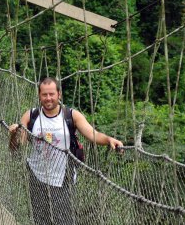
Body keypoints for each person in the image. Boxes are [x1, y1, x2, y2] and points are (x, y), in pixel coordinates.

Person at [8, 77, 123, 225]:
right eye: (44, 94)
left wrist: (109, 140)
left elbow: (92, 134)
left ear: (59, 94)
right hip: (36, 176)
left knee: (63, 221)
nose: (48, 98)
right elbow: (17, 147)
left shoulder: (70, 115)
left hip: (63, 180)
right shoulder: (31, 116)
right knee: (39, 220)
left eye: (52, 94)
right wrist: (13, 134)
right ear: (39, 95)